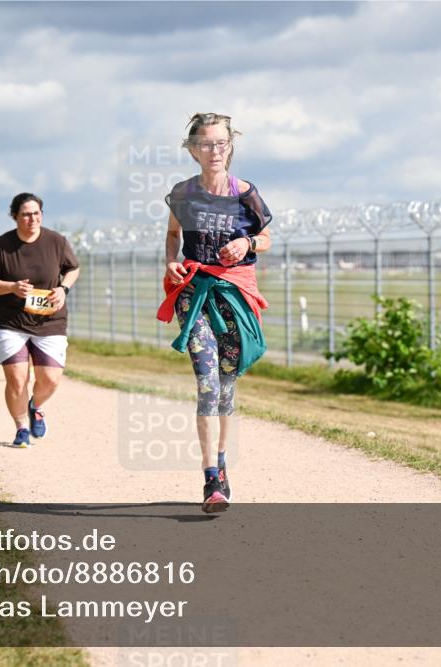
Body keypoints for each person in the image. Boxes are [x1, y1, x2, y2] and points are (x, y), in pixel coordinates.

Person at [157, 112, 273, 513]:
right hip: (196, 292)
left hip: (235, 292)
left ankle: (221, 461)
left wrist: (248, 245)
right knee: (207, 381)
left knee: (226, 386)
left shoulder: (245, 192)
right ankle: (211, 478)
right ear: (192, 150)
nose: (214, 150)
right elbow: (173, 234)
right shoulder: (183, 194)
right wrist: (170, 260)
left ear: (230, 145)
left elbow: (267, 236)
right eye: (205, 143)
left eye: (221, 142)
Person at [0, 193, 80, 448]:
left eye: (36, 213)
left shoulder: (56, 241)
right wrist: (12, 287)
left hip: (50, 320)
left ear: (42, 215)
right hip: (10, 321)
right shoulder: (2, 246)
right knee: (17, 379)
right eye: (26, 214)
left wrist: (63, 289)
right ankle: (21, 427)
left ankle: (35, 406)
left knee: (50, 379)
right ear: (15, 216)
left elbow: (73, 268)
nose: (32, 218)